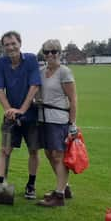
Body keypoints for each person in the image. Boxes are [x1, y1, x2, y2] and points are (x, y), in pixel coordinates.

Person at [0, 31, 41, 201]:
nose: (10, 47)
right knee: (5, 150)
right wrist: (9, 110)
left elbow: (34, 86)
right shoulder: (1, 63)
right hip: (10, 116)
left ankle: (31, 185)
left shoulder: (31, 59)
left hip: (31, 116)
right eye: (7, 45)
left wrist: (22, 110)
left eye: (13, 43)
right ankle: (0, 186)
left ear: (20, 43)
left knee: (33, 150)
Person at [35, 39, 77, 207]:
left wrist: (72, 124)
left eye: (54, 51)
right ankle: (64, 187)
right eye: (46, 52)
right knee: (48, 153)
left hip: (59, 119)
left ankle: (59, 196)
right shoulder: (41, 71)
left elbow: (73, 99)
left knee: (58, 156)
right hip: (43, 118)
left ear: (60, 53)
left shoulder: (64, 72)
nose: (50, 55)